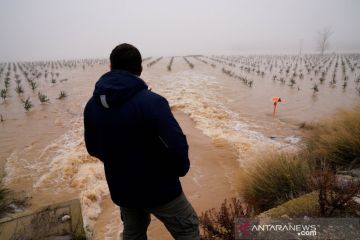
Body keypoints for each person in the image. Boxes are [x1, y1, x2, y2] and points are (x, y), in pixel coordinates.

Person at [83, 43, 199, 240]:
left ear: (110, 67)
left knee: (133, 234)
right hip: (161, 189)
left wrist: (120, 164)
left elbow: (93, 148)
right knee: (188, 229)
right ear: (140, 69)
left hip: (123, 189)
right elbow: (176, 146)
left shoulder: (92, 106)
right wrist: (179, 170)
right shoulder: (153, 102)